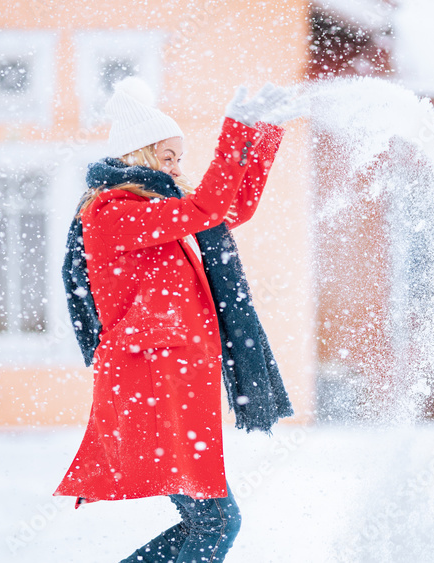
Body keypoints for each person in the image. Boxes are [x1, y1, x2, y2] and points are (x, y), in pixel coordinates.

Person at [56, 77, 301, 562]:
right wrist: (237, 129)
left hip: (173, 375)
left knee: (209, 522)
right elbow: (207, 205)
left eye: (178, 157)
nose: (175, 167)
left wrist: (266, 133)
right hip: (149, 380)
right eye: (166, 157)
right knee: (215, 523)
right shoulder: (111, 214)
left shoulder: (156, 209)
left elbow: (233, 207)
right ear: (137, 156)